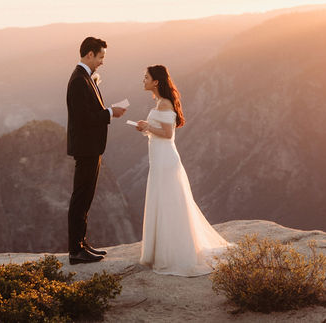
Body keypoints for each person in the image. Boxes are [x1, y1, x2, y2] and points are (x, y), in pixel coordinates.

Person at [136, 64, 231, 275]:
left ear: (156, 82)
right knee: (163, 201)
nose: (143, 80)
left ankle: (173, 253)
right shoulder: (160, 102)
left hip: (166, 161)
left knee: (169, 203)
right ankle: (162, 250)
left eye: (146, 77)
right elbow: (159, 131)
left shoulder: (165, 103)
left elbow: (168, 133)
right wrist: (146, 128)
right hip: (159, 160)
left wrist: (147, 127)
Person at [66, 36, 127, 264]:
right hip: (86, 148)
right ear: (89, 54)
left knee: (86, 198)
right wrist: (111, 112)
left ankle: (81, 244)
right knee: (80, 198)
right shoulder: (79, 81)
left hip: (91, 148)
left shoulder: (85, 78)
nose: (102, 62)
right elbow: (85, 119)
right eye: (100, 57)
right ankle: (75, 251)